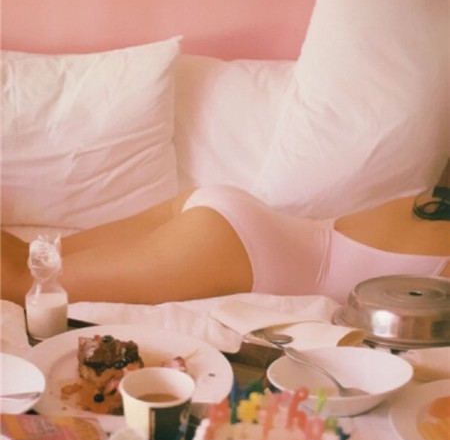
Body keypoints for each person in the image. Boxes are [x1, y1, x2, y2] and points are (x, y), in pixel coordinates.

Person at [1, 166, 449, 307]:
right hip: (235, 248)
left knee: (30, 255)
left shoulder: (431, 201)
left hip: (234, 216)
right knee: (27, 284)